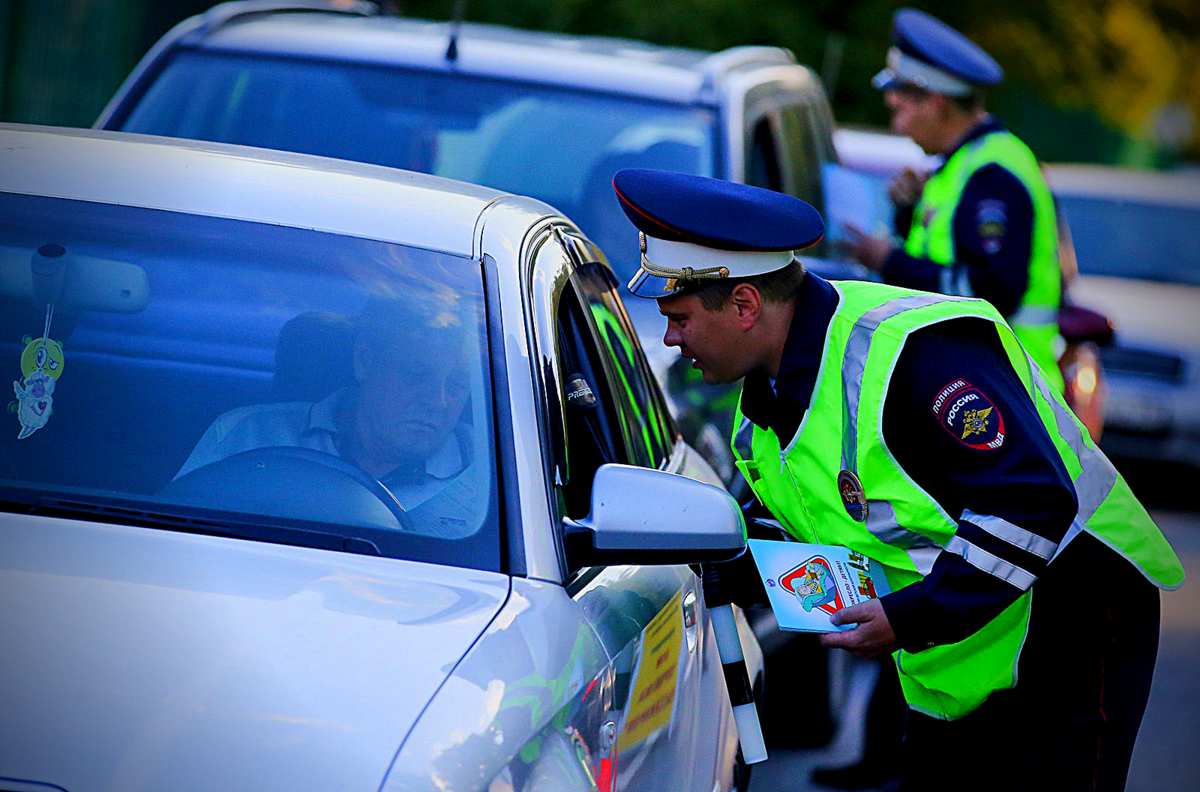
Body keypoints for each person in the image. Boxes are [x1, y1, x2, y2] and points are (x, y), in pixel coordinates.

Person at [612, 167, 1184, 791]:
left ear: (746, 305)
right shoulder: (766, 411)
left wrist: (911, 617)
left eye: (680, 317)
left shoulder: (910, 356)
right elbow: (837, 529)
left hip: (1069, 619)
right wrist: (731, 559)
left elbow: (1032, 500)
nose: (669, 339)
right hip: (956, 651)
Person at [844, 8, 1066, 393]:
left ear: (935, 102)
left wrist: (886, 260)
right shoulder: (963, 165)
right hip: (981, 379)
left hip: (1007, 387)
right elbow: (945, 256)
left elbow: (992, 291)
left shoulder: (991, 176)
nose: (897, 125)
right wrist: (907, 214)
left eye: (900, 108)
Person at [176, 294, 481, 537]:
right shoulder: (245, 434)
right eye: (416, 375)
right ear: (365, 361)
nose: (439, 402)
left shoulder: (493, 479)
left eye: (457, 384)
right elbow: (175, 536)